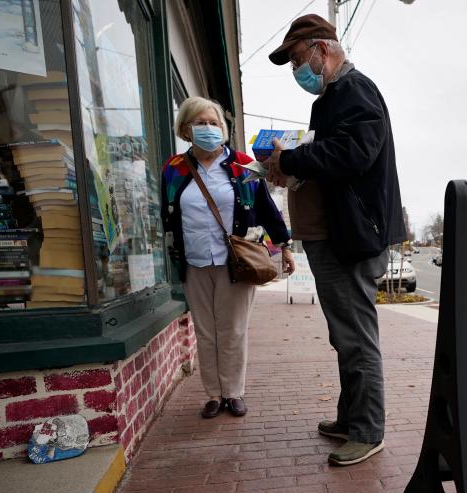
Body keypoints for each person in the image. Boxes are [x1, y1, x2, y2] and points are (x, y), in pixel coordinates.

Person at [265, 15, 406, 466]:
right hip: (338, 234)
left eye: (297, 60)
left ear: (322, 49)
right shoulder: (334, 96)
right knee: (345, 335)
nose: (296, 72)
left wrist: (292, 160)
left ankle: (367, 430)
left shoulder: (353, 89)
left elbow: (354, 153)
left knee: (356, 337)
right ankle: (351, 419)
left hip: (351, 236)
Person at [161, 96, 294, 419]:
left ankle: (234, 392)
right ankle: (213, 395)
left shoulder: (243, 164)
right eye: (200, 123)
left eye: (214, 123)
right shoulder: (174, 169)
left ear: (223, 128)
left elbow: (266, 206)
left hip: (235, 262)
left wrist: (285, 245)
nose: (208, 128)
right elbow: (166, 216)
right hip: (194, 263)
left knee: (232, 330)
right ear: (186, 129)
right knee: (205, 332)